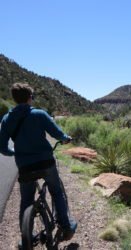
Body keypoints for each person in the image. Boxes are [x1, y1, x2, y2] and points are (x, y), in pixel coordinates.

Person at [0, 83, 77, 247]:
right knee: (56, 192)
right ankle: (67, 226)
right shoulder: (39, 114)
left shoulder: (7, 119)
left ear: (14, 99)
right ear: (29, 97)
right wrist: (65, 138)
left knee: (26, 201)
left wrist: (14, 152)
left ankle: (25, 238)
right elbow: (56, 133)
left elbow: (2, 147)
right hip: (45, 162)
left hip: (25, 166)